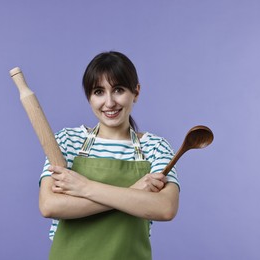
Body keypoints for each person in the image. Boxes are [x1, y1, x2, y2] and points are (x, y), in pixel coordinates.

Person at [39, 51, 180, 260]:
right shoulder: (67, 141)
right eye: (98, 92)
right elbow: (50, 205)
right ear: (89, 97)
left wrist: (86, 188)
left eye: (118, 90)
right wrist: (133, 192)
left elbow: (165, 208)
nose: (109, 102)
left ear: (136, 92)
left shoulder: (154, 147)